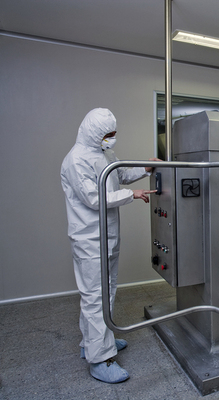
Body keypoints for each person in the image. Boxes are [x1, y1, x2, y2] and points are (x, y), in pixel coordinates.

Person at [61, 108, 159, 383]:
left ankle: (93, 342)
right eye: (108, 135)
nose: (112, 139)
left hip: (107, 235)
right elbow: (94, 198)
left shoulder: (103, 153)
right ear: (94, 133)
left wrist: (145, 168)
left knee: (106, 291)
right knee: (94, 296)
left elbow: (121, 173)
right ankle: (100, 360)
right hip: (89, 238)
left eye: (114, 134)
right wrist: (133, 194)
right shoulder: (76, 160)